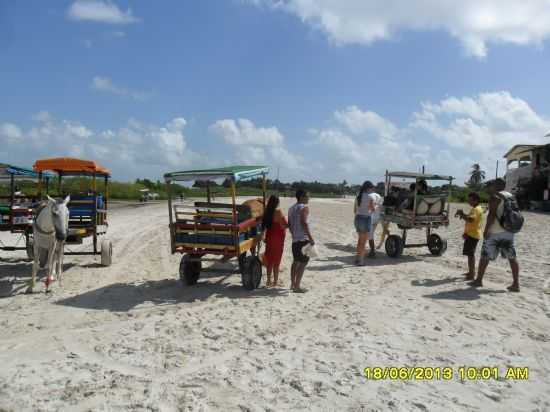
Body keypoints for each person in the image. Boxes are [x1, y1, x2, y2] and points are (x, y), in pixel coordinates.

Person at [469, 179, 520, 292]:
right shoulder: (511, 196)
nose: (490, 187)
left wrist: (486, 230)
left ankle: (479, 280)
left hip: (495, 231)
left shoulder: (495, 196)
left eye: (491, 185)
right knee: (512, 257)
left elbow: (491, 215)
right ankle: (516, 284)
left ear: (496, 186)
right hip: (509, 230)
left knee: (485, 256)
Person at [288, 189, 314, 293]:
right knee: (303, 263)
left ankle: (292, 284)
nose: (309, 198)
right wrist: (311, 238)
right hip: (303, 239)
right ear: (302, 197)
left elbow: (289, 225)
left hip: (295, 239)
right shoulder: (304, 208)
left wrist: (294, 233)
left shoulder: (291, 208)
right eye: (307, 196)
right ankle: (297, 286)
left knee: (295, 261)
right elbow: (304, 223)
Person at [262, 195, 288, 287]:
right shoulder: (278, 211)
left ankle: (268, 281)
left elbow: (264, 227)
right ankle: (275, 282)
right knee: (276, 262)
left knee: (269, 261)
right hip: (278, 239)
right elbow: (285, 224)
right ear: (277, 202)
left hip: (269, 238)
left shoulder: (267, 212)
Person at [456, 192, 483, 280]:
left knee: (471, 255)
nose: (469, 201)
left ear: (476, 200)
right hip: (472, 233)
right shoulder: (476, 208)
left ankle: (472, 274)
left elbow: (470, 220)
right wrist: (463, 214)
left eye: (470, 200)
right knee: (470, 254)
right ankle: (471, 272)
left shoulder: (476, 209)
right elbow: (470, 218)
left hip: (473, 234)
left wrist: (461, 214)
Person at [354, 181, 375, 265]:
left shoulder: (359, 195)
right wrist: (375, 206)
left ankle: (358, 258)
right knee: (363, 242)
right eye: (371, 188)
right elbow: (372, 209)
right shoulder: (370, 197)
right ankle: (361, 261)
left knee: (360, 240)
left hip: (358, 218)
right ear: (368, 188)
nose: (372, 189)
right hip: (365, 218)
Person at [368, 189, 383, 257]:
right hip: (378, 217)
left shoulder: (369, 196)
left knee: (370, 235)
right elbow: (381, 206)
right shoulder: (378, 195)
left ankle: (372, 251)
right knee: (371, 233)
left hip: (371, 217)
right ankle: (372, 250)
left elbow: (371, 208)